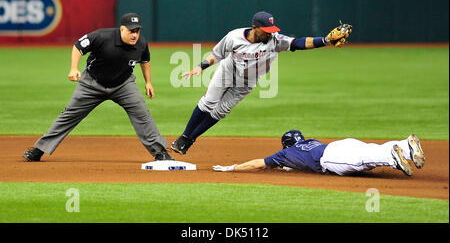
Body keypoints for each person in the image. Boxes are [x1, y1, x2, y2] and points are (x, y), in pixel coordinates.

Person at [170, 11, 352, 155]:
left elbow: (299, 43)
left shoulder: (275, 40)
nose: (270, 34)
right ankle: (184, 136)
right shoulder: (234, 37)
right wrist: (200, 67)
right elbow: (216, 54)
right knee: (208, 102)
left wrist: (325, 40)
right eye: (266, 31)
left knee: (221, 111)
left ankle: (190, 140)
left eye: (271, 30)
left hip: (247, 81)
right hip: (227, 71)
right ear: (254, 27)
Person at [23, 13, 173, 162]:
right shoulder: (101, 36)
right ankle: (39, 150)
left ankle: (160, 152)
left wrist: (148, 82)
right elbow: (78, 46)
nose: (135, 35)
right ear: (122, 29)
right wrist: (73, 68)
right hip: (92, 84)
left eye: (137, 31)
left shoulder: (141, 43)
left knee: (142, 113)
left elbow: (145, 61)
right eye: (131, 31)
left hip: (123, 85)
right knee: (69, 115)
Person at [212, 130, 425, 176]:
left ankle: (392, 157)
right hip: (339, 144)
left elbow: (259, 163)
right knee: (367, 151)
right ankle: (405, 144)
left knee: (360, 161)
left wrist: (232, 167)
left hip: (330, 158)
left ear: (286, 145)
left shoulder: (285, 154)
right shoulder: (310, 142)